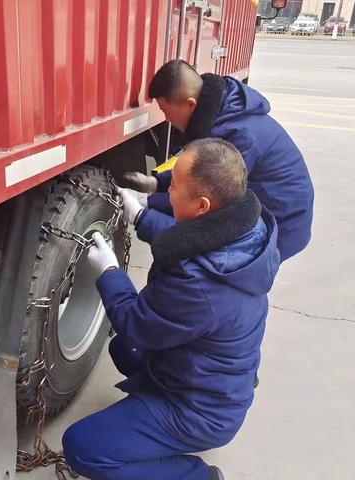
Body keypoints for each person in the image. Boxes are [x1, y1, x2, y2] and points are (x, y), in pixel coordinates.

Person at [62, 139, 280, 480]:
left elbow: (135, 322)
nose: (167, 192)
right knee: (123, 349)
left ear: (203, 205)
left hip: (201, 410)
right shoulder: (244, 228)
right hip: (218, 381)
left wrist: (109, 272)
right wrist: (141, 216)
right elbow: (188, 240)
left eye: (173, 186)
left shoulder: (198, 284)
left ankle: (198, 476)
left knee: (81, 447)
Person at [125, 59, 314, 262]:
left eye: (166, 111)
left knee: (225, 275)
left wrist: (145, 206)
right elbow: (198, 171)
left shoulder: (239, 137)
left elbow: (203, 199)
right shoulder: (224, 114)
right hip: (269, 204)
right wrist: (157, 183)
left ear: (190, 104)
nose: (168, 120)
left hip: (282, 219)